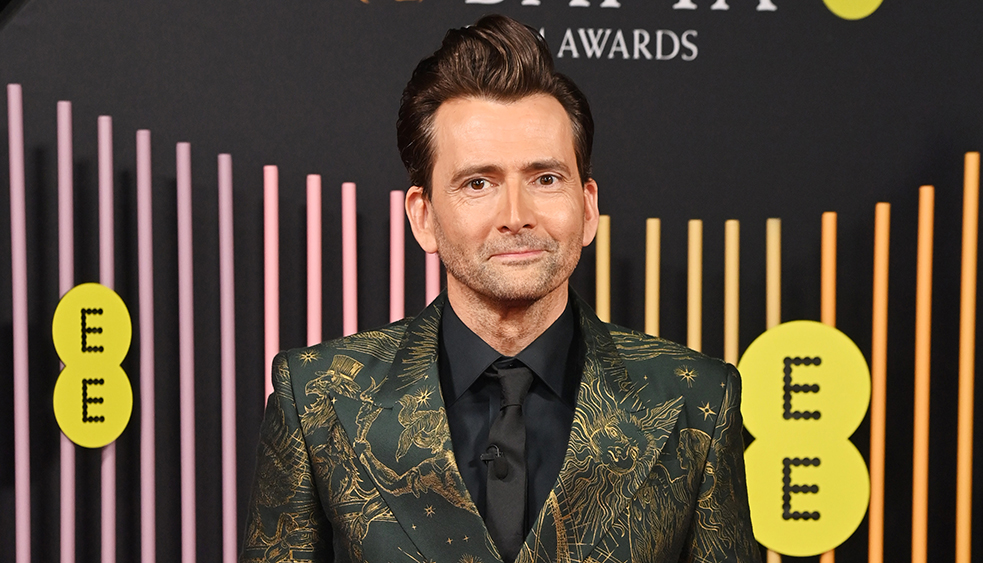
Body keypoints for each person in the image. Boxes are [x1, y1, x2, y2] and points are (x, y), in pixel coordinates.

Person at [241, 14, 759, 563]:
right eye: (478, 183)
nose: (516, 216)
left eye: (545, 178)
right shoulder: (319, 397)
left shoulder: (696, 401)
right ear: (423, 217)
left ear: (587, 208)